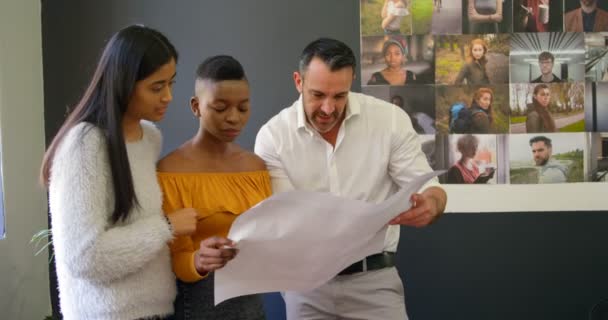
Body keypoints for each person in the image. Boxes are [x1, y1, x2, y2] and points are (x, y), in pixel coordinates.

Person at [255, 37, 447, 320]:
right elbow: (284, 219)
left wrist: (431, 204)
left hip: (375, 282)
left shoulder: (389, 120)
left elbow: (431, 189)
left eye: (339, 95)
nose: (329, 108)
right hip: (306, 286)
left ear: (352, 81)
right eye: (318, 95)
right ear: (298, 81)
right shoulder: (273, 137)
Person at [40, 25, 198, 320]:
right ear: (123, 83)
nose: (168, 97)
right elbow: (85, 257)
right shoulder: (84, 144)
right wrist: (166, 227)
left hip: (157, 311)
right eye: (156, 87)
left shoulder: (149, 138)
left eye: (171, 84)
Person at [157, 55, 270, 320]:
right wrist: (198, 260)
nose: (233, 118)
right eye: (220, 108)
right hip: (197, 304)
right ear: (196, 106)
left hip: (251, 303)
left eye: (243, 108)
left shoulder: (255, 168)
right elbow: (170, 256)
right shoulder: (170, 171)